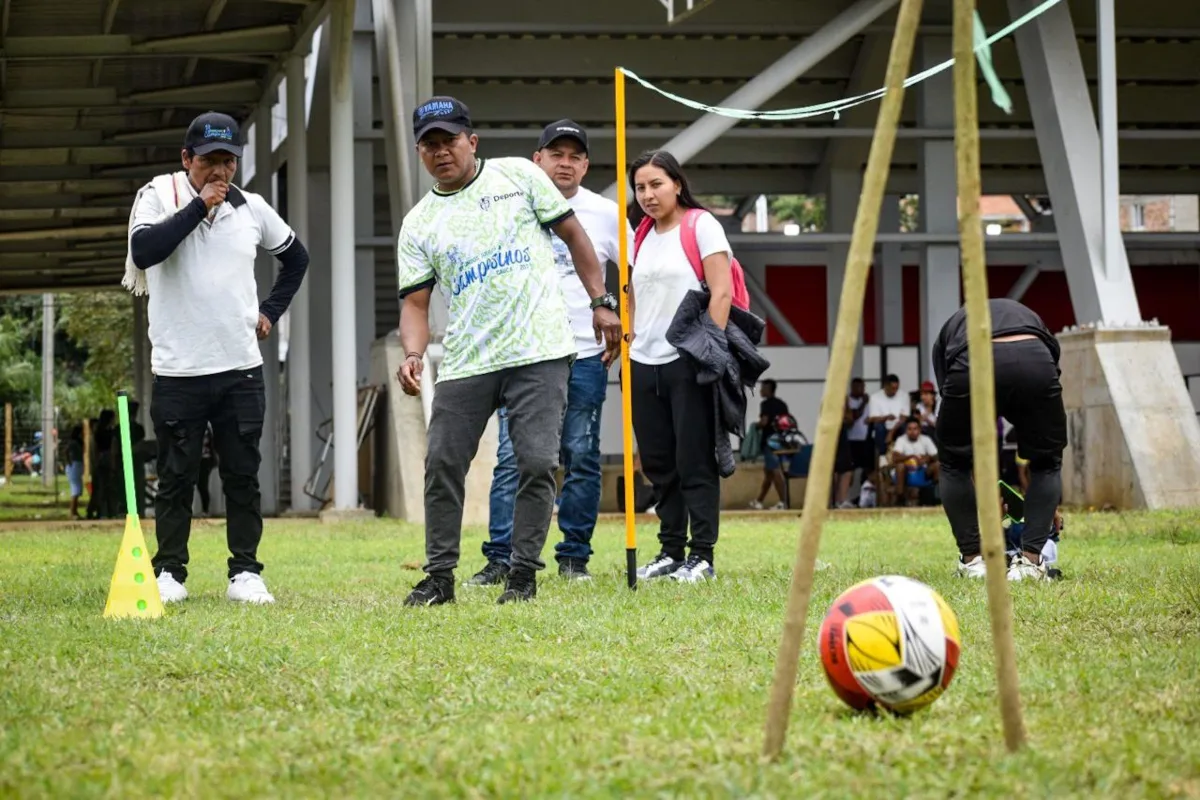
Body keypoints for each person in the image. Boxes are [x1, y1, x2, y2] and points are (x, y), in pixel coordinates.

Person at [394, 97, 621, 607]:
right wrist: (413, 353)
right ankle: (439, 577)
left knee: (538, 462)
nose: (441, 151)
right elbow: (415, 302)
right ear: (419, 152)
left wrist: (601, 301)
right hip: (467, 359)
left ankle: (522, 574)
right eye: (430, 144)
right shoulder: (419, 222)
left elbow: (574, 234)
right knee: (443, 463)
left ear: (471, 142)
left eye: (449, 140)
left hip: (539, 349)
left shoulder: (518, 175)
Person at [125, 111, 311, 605]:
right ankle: (169, 572)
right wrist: (198, 208)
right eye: (210, 162)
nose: (220, 173)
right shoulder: (158, 197)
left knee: (241, 474)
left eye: (228, 162)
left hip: (240, 367)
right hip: (179, 369)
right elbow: (144, 252)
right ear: (187, 159)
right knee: (176, 476)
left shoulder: (251, 208)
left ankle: (245, 572)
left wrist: (270, 310)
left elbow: (297, 259)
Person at [466, 120, 631, 586]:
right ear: (536, 159)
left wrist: (624, 325)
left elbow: (634, 272)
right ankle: (501, 556)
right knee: (512, 457)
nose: (565, 162)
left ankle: (574, 557)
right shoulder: (507, 206)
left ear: (586, 165)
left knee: (580, 454)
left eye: (575, 156)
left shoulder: (605, 213)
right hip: (522, 351)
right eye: (555, 153)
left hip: (584, 352)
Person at [626, 149, 765, 584]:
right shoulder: (641, 233)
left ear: (677, 184)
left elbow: (720, 292)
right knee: (659, 462)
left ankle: (701, 555)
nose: (648, 195)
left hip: (688, 361)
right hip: (641, 362)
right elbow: (634, 293)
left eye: (656, 185)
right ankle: (670, 550)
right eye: (640, 187)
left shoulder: (701, 226)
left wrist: (708, 353)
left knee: (695, 460)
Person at [933, 297, 1067, 582]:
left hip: (972, 358)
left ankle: (973, 563)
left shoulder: (950, 331)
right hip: (1036, 359)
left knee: (953, 463)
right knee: (1047, 463)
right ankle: (1031, 563)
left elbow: (959, 440)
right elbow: (1050, 374)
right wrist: (1047, 505)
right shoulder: (1032, 319)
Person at [749, 378, 789, 510]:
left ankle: (784, 502)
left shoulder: (765, 404)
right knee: (769, 473)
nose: (760, 390)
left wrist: (756, 426)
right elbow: (786, 423)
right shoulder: (782, 404)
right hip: (780, 441)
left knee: (775, 470)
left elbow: (764, 422)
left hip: (770, 442)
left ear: (768, 390)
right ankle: (759, 501)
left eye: (762, 388)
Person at [889, 417, 939, 506]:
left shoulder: (926, 439)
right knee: (900, 466)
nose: (912, 432)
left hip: (922, 472)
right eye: (909, 429)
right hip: (906, 473)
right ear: (906, 430)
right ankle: (900, 499)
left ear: (919, 430)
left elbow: (936, 456)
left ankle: (936, 496)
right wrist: (911, 456)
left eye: (915, 429)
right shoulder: (901, 439)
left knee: (938, 465)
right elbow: (895, 458)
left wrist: (926, 459)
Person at [865, 374, 909, 456]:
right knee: (879, 427)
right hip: (883, 426)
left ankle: (903, 454)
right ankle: (882, 455)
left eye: (897, 388)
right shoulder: (875, 397)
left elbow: (904, 417)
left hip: (897, 426)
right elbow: (872, 418)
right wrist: (886, 418)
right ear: (885, 386)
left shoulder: (904, 395)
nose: (895, 391)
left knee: (905, 426)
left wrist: (891, 432)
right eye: (893, 388)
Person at [196, 424, 217, 516]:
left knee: (203, 484)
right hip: (198, 460)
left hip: (206, 459)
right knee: (200, 485)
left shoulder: (205, 429)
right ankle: (205, 509)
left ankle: (206, 510)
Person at [65, 425, 84, 520]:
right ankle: (72, 512)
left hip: (77, 465)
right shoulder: (73, 443)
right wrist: (70, 462)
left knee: (78, 489)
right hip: (74, 466)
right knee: (75, 490)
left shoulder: (78, 442)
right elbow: (66, 451)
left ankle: (75, 511)